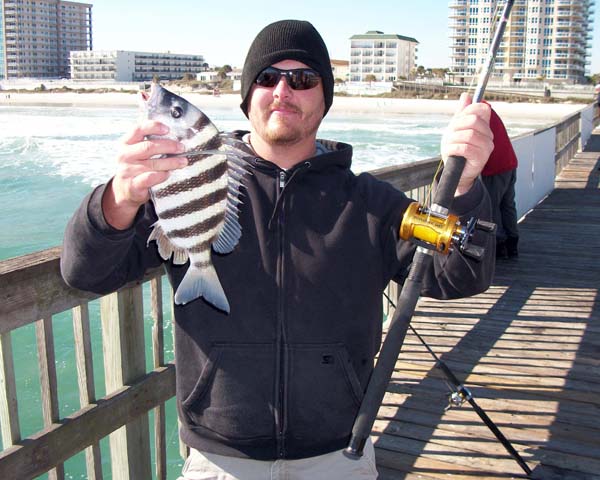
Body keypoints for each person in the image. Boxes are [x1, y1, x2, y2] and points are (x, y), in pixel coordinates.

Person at [61, 19, 495, 480]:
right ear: (248, 96)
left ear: (324, 98)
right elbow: (85, 272)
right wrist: (119, 198)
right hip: (218, 461)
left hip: (339, 458)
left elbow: (459, 277)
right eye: (268, 78)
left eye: (303, 79)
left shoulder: (369, 203)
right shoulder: (187, 183)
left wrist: (465, 187)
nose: (283, 90)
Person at [481, 107, 519, 259]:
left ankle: (499, 244)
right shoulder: (489, 112)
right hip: (509, 163)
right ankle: (513, 242)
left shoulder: (478, 114)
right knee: (508, 204)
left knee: (492, 206)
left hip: (496, 168)